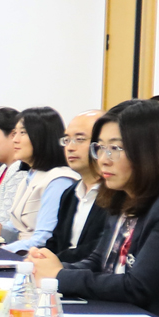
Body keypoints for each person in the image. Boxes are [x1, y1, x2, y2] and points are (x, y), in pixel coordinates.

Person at [28, 100, 159, 317]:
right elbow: (100, 262)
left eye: (115, 148)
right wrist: (48, 268)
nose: (103, 159)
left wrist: (60, 276)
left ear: (149, 151)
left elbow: (137, 286)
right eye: (100, 147)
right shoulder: (122, 196)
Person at [0, 107, 76, 251]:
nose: (15, 140)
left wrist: (2, 251)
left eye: (23, 133)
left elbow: (43, 239)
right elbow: (15, 227)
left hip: (34, 256)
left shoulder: (58, 181)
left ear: (42, 136)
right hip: (20, 252)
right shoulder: (29, 176)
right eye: (15, 133)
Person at [49, 110, 110, 264]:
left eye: (79, 139)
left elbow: (101, 248)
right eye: (67, 140)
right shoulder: (70, 193)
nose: (70, 147)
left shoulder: (117, 194)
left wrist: (56, 261)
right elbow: (56, 241)